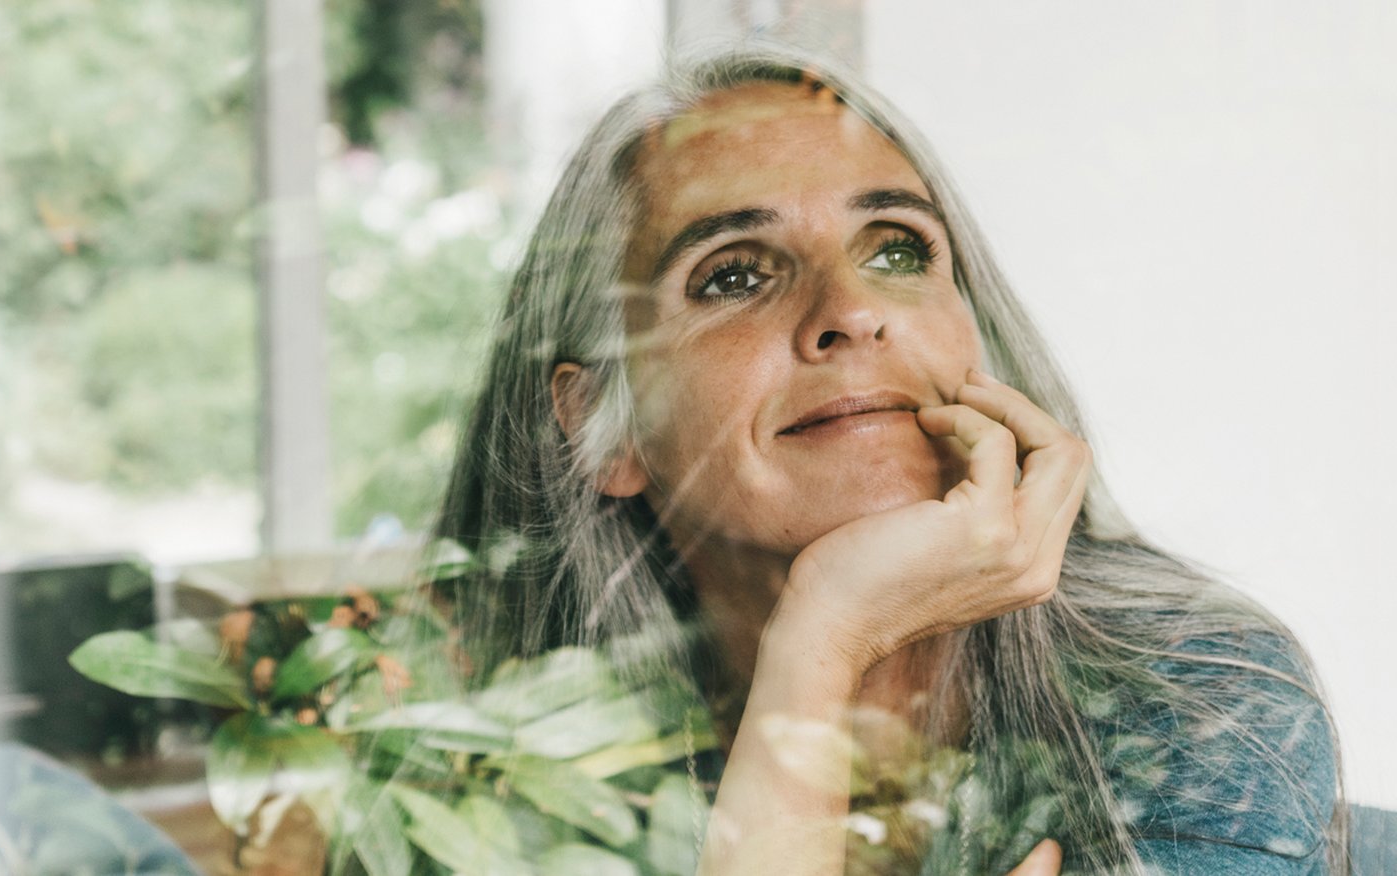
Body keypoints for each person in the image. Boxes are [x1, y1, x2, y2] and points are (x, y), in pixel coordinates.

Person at [433, 46, 1342, 875]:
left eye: (898, 248)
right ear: (604, 424)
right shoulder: (509, 767)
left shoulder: (1189, 691)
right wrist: (824, 642)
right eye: (735, 273)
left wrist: (826, 628)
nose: (854, 308)